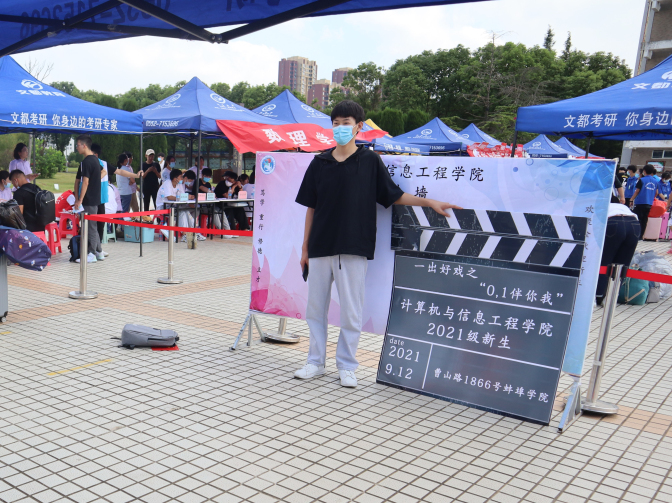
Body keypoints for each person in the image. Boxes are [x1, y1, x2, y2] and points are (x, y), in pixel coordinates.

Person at [294, 100, 460, 388]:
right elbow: (311, 207)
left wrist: (429, 202)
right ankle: (315, 361)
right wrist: (305, 248)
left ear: (359, 126)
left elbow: (393, 195)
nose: (340, 128)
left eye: (346, 123)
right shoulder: (319, 162)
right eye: (335, 123)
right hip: (320, 246)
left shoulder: (369, 161)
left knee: (351, 311)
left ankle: (347, 366)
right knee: (315, 309)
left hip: (354, 246)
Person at [596, 203, 640, 305]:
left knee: (604, 261)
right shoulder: (621, 206)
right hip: (634, 224)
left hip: (613, 222)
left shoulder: (599, 204)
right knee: (622, 265)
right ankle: (611, 298)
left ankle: (598, 296)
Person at [74, 135, 104, 262]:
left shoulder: (87, 162)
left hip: (89, 199)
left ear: (84, 145)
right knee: (93, 226)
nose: (77, 147)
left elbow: (85, 182)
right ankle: (99, 251)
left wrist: (79, 200)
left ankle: (91, 253)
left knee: (90, 227)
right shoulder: (95, 160)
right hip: (95, 199)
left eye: (78, 145)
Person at [630, 164, 657, 240]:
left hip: (640, 202)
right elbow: (657, 192)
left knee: (636, 218)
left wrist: (631, 199)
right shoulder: (655, 181)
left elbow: (637, 191)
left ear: (644, 171)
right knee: (644, 220)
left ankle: (635, 234)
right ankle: (641, 235)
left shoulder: (642, 180)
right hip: (649, 203)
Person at [157, 168, 185, 240]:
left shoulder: (179, 184)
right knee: (181, 213)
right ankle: (185, 233)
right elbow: (169, 197)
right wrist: (181, 197)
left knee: (186, 212)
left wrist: (188, 197)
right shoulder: (167, 183)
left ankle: (190, 232)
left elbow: (183, 196)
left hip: (173, 206)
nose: (182, 178)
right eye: (181, 177)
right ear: (175, 179)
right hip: (163, 206)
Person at [91, 144, 109, 250]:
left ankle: (99, 249)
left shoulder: (104, 164)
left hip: (101, 198)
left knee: (100, 224)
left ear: (96, 154)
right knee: (91, 225)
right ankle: (92, 249)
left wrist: (135, 175)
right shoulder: (86, 163)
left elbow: (119, 171)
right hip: (91, 199)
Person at [180, 170, 206, 241]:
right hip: (177, 206)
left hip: (182, 205)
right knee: (185, 212)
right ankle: (192, 232)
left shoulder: (183, 185)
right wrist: (188, 198)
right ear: (185, 178)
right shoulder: (178, 184)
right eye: (190, 180)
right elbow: (178, 197)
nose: (190, 182)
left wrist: (189, 197)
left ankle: (193, 232)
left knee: (195, 210)